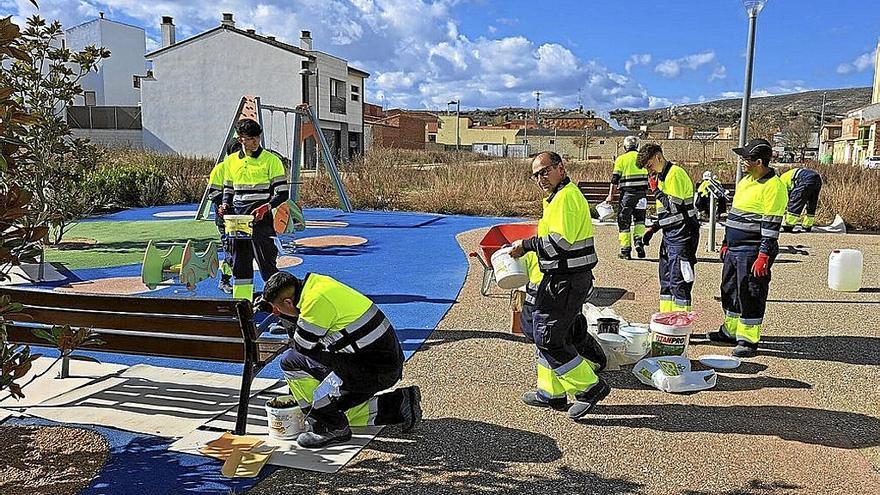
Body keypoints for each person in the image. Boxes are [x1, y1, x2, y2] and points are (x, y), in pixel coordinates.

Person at [261, 271, 422, 448]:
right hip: (380, 364)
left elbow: (301, 347)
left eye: (277, 308)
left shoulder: (315, 304)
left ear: (288, 302)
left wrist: (284, 316)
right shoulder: (316, 284)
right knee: (331, 408)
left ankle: (331, 428)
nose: (276, 312)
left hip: (373, 371)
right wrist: (284, 312)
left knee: (290, 361)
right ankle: (399, 403)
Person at [510, 151, 609, 420]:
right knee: (543, 333)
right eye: (535, 175)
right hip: (558, 279)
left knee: (550, 338)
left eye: (545, 171)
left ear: (560, 168)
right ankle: (551, 391)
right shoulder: (555, 198)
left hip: (566, 281)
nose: (540, 178)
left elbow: (559, 244)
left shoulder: (566, 197)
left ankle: (589, 388)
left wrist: (525, 246)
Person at [710, 139, 788, 358]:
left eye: (746, 159)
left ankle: (748, 340)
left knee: (750, 293)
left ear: (759, 162)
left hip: (753, 250)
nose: (742, 162)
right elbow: (735, 214)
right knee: (730, 290)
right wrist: (726, 242)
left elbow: (771, 227)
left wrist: (764, 255)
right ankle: (730, 331)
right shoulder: (746, 181)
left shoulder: (774, 187)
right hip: (734, 248)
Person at [221, 119, 287, 301]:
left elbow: (282, 193)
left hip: (261, 220)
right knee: (239, 265)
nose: (256, 141)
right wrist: (225, 204)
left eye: (257, 137)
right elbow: (228, 188)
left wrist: (267, 207)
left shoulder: (271, 160)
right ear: (241, 139)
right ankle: (242, 305)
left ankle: (279, 306)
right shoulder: (231, 161)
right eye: (250, 138)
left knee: (267, 264)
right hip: (238, 220)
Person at [637, 144, 700, 312]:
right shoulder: (663, 176)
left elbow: (673, 208)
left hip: (683, 234)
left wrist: (655, 190)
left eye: (649, 165)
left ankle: (680, 323)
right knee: (666, 279)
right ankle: (667, 319)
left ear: (658, 158)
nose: (648, 171)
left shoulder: (674, 175)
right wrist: (653, 228)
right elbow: (668, 214)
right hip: (671, 234)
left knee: (678, 280)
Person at [206, 139, 240, 294]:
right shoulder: (221, 169)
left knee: (242, 249)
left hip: (243, 218)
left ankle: (240, 280)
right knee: (230, 249)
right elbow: (212, 192)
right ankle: (225, 280)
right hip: (226, 218)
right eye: (237, 149)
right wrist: (224, 204)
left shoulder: (245, 167)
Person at [606, 135, 648, 259]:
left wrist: (610, 196)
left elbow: (615, 179)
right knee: (640, 220)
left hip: (627, 196)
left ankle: (625, 251)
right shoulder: (644, 159)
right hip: (642, 196)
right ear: (637, 146)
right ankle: (639, 241)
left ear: (625, 147)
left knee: (624, 222)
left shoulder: (621, 159)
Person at [779, 167, 822, 232]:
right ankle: (807, 226)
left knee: (795, 202)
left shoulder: (781, 181)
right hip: (817, 179)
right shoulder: (786, 176)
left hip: (805, 179)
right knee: (811, 203)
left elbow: (784, 198)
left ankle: (788, 226)